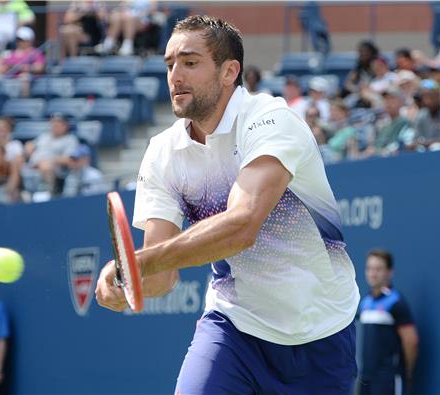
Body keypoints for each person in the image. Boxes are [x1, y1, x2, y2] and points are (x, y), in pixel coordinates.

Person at [95, 15, 359, 394]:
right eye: (169, 64)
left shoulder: (272, 121)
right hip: (233, 329)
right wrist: (122, 283)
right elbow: (160, 273)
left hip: (322, 331)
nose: (175, 76)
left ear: (228, 71)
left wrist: (137, 263)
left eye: (189, 62)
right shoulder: (161, 153)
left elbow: (242, 225)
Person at [357, 249, 419, 394]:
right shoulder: (364, 303)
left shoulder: (396, 302)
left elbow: (411, 341)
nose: (373, 273)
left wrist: (405, 372)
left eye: (378, 269)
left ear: (389, 272)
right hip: (365, 379)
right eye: (369, 268)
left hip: (388, 380)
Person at [23, 113, 79, 193]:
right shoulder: (44, 136)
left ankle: (48, 194)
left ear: (65, 126)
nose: (54, 125)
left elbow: (68, 159)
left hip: (55, 168)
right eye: (53, 123)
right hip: (33, 164)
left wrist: (48, 160)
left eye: (58, 124)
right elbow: (30, 146)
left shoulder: (70, 139)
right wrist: (29, 147)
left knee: (45, 166)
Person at [412, 79, 440, 150]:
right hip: (425, 153)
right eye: (425, 96)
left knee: (437, 146)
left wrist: (427, 142)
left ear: (439, 95)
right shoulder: (421, 115)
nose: (428, 99)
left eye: (431, 95)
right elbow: (416, 139)